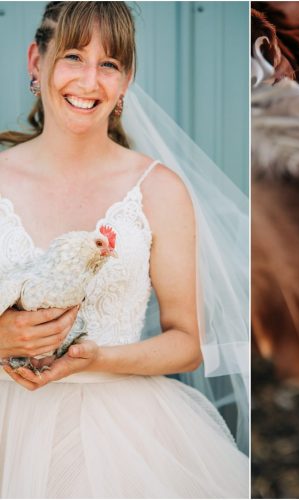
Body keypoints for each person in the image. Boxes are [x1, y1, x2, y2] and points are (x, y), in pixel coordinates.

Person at [0, 2, 249, 498]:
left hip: (122, 438)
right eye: (73, 56)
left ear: (126, 79)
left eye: (109, 64)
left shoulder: (159, 190)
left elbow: (187, 343)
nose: (90, 82)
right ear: (36, 61)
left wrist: (96, 358)